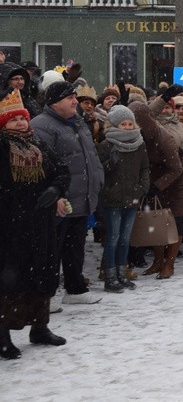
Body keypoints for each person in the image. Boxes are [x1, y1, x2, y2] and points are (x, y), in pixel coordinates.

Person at [0, 89, 70, 360]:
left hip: (41, 223)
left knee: (43, 273)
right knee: (10, 280)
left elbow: (62, 170)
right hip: (9, 225)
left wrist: (55, 189)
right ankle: (3, 334)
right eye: (13, 120)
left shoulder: (38, 143)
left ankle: (40, 327)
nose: (20, 123)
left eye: (22, 118)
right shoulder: (3, 146)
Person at [31, 81, 104, 304]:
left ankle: (74, 290)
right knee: (52, 250)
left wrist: (98, 179)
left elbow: (90, 155)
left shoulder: (78, 122)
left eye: (75, 97)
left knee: (75, 247)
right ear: (54, 103)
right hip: (61, 200)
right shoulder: (42, 126)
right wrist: (56, 195)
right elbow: (42, 167)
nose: (75, 101)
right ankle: (48, 296)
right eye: (69, 98)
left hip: (81, 197)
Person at [129, 84, 183, 280]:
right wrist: (165, 96)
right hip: (159, 176)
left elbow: (177, 169)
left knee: (174, 220)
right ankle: (158, 260)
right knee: (157, 218)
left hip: (181, 177)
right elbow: (148, 110)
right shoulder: (142, 120)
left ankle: (170, 263)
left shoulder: (163, 139)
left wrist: (156, 186)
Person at [96, 105, 150, 292]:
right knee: (113, 238)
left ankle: (121, 272)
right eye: (123, 124)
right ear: (114, 125)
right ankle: (110, 276)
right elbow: (99, 171)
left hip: (132, 197)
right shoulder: (106, 145)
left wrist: (142, 188)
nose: (127, 127)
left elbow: (144, 169)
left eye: (129, 123)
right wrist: (110, 163)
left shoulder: (139, 143)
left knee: (125, 239)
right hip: (113, 199)